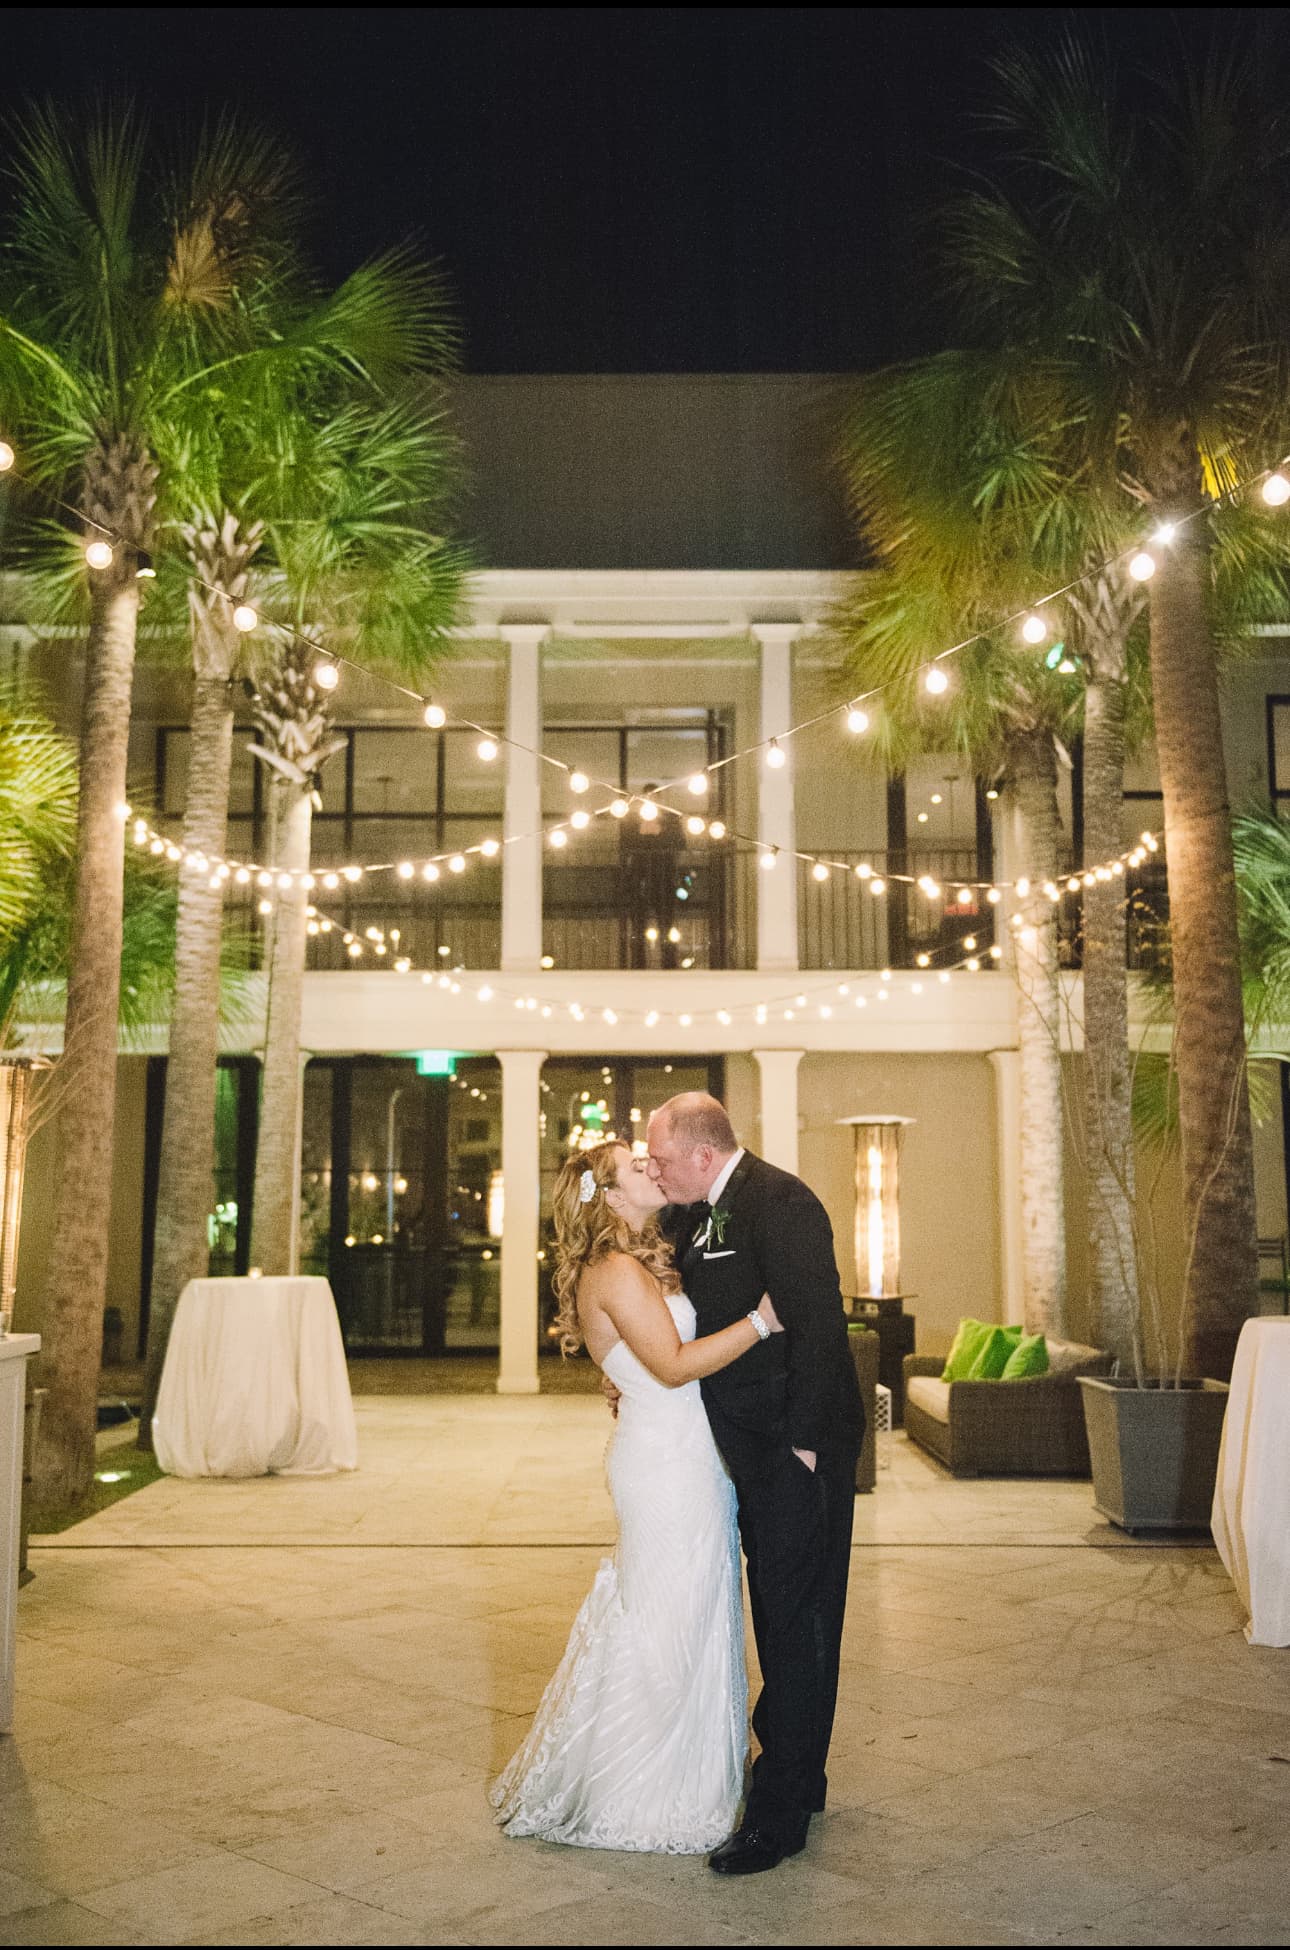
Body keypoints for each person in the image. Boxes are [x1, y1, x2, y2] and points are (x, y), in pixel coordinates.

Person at [490, 1139, 782, 1854]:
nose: (653, 1166)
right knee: (666, 1618)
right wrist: (761, 1322)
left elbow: (645, 1358)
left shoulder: (634, 1256)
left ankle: (692, 1777)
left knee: (694, 1610)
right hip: (665, 1466)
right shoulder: (615, 1269)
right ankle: (642, 1793)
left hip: (684, 1455)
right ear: (613, 1197)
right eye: (636, 1166)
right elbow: (674, 1367)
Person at [644, 1092, 863, 1876]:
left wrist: (803, 1452)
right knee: (779, 1612)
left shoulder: (782, 1203)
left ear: (703, 1153)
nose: (653, 1170)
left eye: (661, 1158)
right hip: (747, 1450)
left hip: (794, 1450)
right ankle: (803, 1775)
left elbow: (821, 1329)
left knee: (798, 1621)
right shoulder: (692, 1214)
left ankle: (779, 1815)